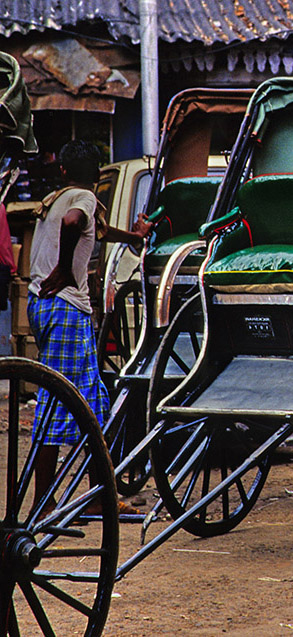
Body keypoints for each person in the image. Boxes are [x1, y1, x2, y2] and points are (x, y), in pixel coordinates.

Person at [30, 139, 152, 516]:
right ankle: (50, 502)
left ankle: (92, 495)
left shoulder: (58, 197)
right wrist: (67, 268)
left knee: (91, 402)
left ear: (63, 171)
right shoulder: (82, 198)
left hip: (45, 305)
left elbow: (95, 229)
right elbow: (76, 223)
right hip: (66, 307)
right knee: (63, 402)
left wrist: (133, 237)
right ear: (97, 174)